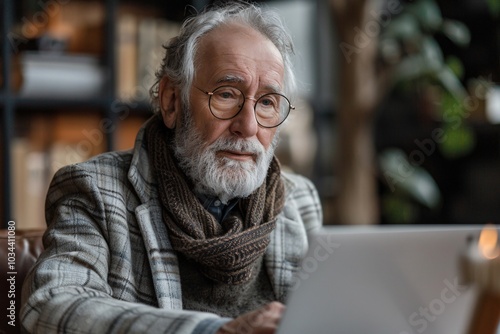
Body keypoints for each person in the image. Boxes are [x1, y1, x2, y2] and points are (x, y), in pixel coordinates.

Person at [21, 2, 323, 333]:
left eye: (267, 102)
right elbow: (50, 305)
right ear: (171, 101)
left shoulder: (299, 199)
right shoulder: (95, 191)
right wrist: (215, 331)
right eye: (226, 94)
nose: (248, 126)